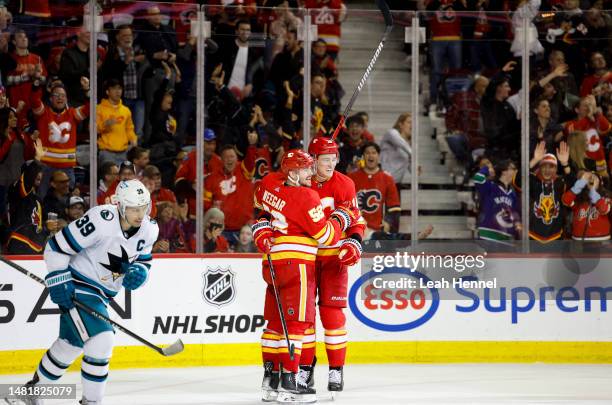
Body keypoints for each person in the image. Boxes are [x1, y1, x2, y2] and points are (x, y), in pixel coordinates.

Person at [9, 179, 158, 404]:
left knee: (70, 345)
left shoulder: (150, 229)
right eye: (133, 209)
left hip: (103, 294)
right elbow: (56, 247)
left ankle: (29, 396)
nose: (139, 214)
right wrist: (58, 280)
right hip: (78, 285)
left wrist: (140, 272)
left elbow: (144, 259)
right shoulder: (101, 219)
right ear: (120, 206)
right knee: (102, 339)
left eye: (143, 208)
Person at [252, 149, 356, 403]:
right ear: (294, 173)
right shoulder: (308, 197)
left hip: (273, 261)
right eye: (307, 169)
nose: (312, 173)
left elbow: (263, 202)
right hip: (298, 264)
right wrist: (343, 217)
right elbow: (327, 237)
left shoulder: (267, 187)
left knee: (275, 325)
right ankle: (290, 383)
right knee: (298, 325)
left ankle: (270, 381)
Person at [297, 136, 365, 395]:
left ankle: (336, 369)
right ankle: (306, 367)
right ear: (312, 161)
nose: (331, 164)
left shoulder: (345, 184)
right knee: (305, 318)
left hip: (334, 258)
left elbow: (355, 220)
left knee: (332, 314)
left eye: (333, 159)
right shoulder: (301, 179)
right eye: (325, 159)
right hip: (306, 258)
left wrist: (355, 241)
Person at [31, 78, 90, 197]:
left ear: (67, 99)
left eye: (63, 95)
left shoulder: (72, 114)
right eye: (56, 95)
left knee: (68, 201)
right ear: (50, 99)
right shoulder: (43, 113)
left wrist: (87, 90)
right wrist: (36, 84)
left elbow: (89, 108)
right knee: (41, 199)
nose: (60, 98)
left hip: (67, 167)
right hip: (45, 166)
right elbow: (34, 101)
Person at [348, 142, 401, 238]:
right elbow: (345, 203)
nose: (370, 155)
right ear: (363, 156)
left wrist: (388, 223)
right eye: (367, 153)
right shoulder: (351, 177)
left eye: (374, 152)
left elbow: (394, 207)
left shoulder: (387, 178)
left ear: (378, 156)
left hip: (378, 231)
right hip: (356, 229)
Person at [472, 158, 522, 242]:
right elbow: (478, 178)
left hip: (507, 237)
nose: (515, 171)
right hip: (489, 234)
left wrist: (517, 223)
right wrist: (488, 168)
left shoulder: (512, 193)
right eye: (513, 168)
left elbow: (515, 212)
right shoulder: (491, 187)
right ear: (504, 171)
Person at [96, 79, 138, 165]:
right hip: (107, 153)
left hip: (124, 153)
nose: (118, 91)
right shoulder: (99, 109)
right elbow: (94, 130)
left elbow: (129, 129)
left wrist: (133, 139)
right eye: (114, 88)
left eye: (119, 88)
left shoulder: (126, 110)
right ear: (107, 91)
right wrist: (105, 125)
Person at [562, 171, 611, 241]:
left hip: (600, 239)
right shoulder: (579, 199)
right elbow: (566, 201)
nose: (591, 180)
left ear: (600, 182)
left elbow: (604, 209)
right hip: (578, 239)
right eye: (589, 178)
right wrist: (576, 187)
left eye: (594, 178)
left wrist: (594, 193)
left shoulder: (606, 197)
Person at [380, 112, 413, 184]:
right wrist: (413, 155)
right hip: (383, 181)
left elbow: (411, 170)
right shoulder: (392, 133)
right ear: (400, 124)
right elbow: (401, 143)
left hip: (396, 184)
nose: (412, 125)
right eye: (409, 122)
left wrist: (415, 168)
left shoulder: (409, 146)